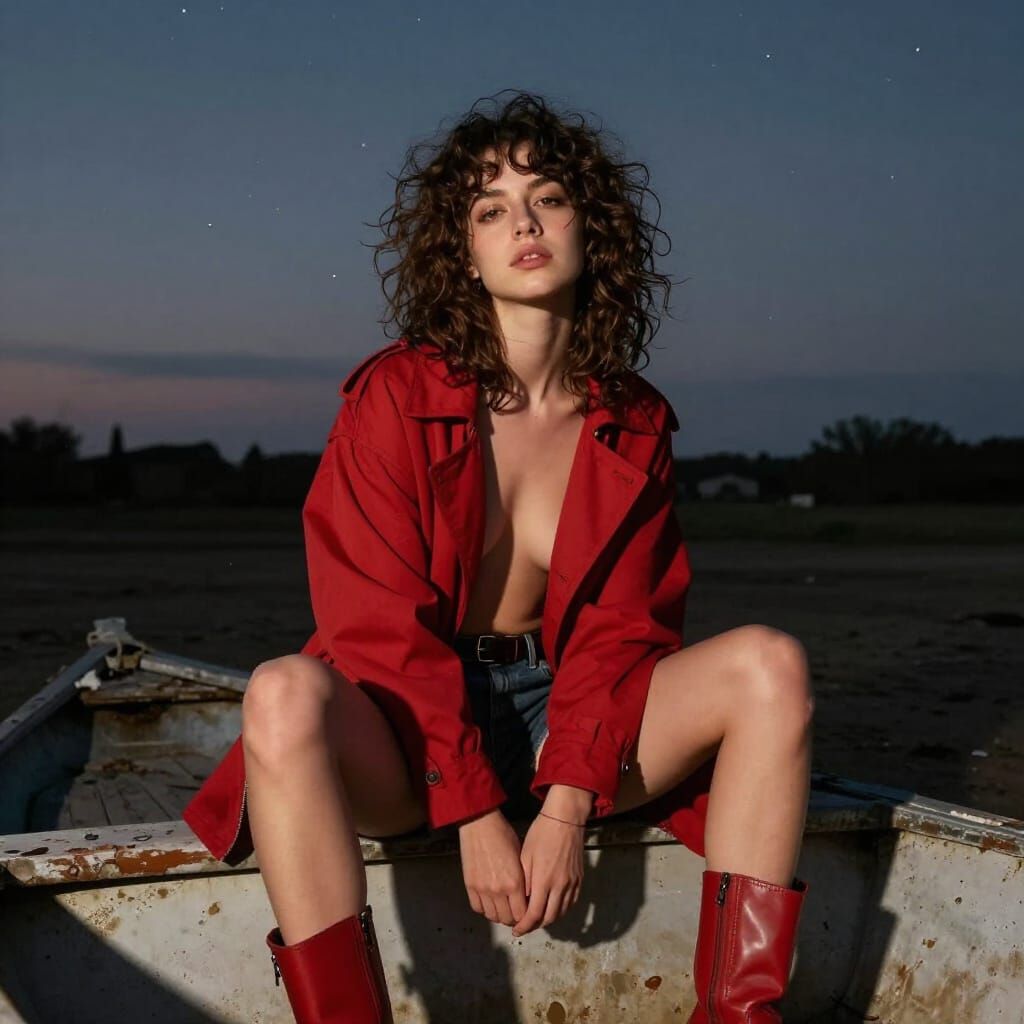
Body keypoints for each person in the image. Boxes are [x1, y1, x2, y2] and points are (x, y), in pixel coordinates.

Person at [183, 90, 812, 1024]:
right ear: (464, 254)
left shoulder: (632, 420)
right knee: (281, 692)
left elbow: (624, 628)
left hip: (576, 710)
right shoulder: (394, 396)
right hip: (413, 728)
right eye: (490, 209)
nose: (523, 222)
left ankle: (737, 1018)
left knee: (770, 664)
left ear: (589, 228)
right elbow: (374, 626)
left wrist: (563, 806)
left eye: (548, 198)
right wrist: (474, 809)